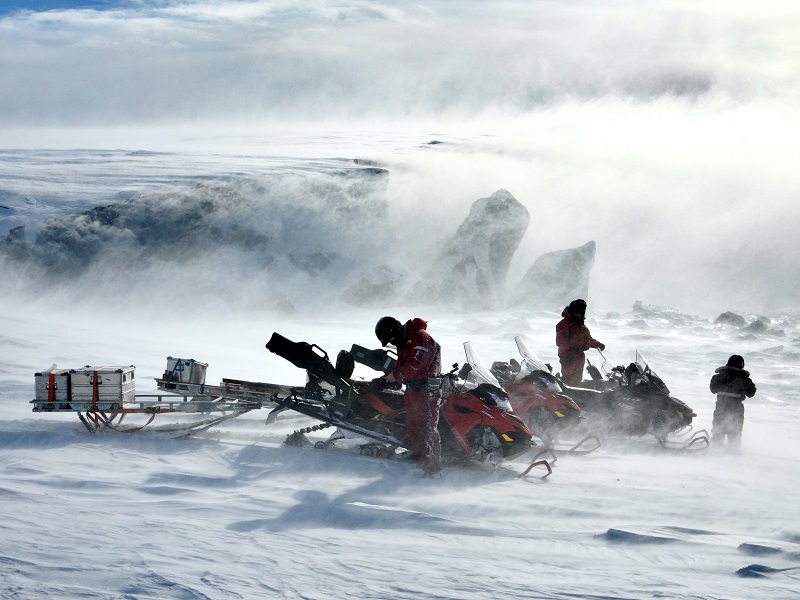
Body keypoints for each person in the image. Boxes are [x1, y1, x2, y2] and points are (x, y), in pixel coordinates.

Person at [375, 316, 442, 475]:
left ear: (395, 331)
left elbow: (416, 364)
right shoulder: (405, 342)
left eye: (391, 340)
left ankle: (433, 464)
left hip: (427, 391)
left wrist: (396, 377)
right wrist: (385, 378)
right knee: (413, 427)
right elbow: (401, 365)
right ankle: (420, 456)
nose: (392, 344)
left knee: (427, 427)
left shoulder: (420, 337)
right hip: (413, 390)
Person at [555, 299, 605, 386]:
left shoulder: (581, 325)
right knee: (568, 379)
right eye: (577, 312)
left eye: (581, 313)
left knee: (577, 380)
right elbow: (562, 342)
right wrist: (568, 354)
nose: (578, 315)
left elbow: (587, 338)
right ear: (572, 311)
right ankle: (567, 395)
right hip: (568, 356)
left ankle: (577, 396)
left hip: (579, 356)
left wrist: (598, 344)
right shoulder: (564, 324)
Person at [710, 354, 756, 446]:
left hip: (720, 408)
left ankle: (713, 455)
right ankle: (733, 456)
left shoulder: (718, 376)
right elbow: (751, 393)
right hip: (736, 410)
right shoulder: (744, 379)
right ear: (742, 365)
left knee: (718, 433)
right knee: (734, 435)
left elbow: (712, 389)